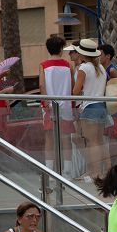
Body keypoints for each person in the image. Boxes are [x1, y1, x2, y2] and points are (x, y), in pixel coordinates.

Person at [38, 35, 76, 176]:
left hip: (49, 106)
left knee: (49, 139)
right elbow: (72, 85)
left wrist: (46, 102)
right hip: (66, 106)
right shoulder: (68, 65)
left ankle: (50, 170)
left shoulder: (44, 65)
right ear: (61, 49)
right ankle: (67, 171)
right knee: (66, 138)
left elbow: (42, 84)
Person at [72, 38, 108, 182]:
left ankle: (95, 173)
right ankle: (99, 171)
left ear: (81, 53)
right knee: (99, 141)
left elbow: (75, 91)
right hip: (101, 106)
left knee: (91, 141)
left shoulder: (84, 68)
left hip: (89, 107)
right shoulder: (101, 68)